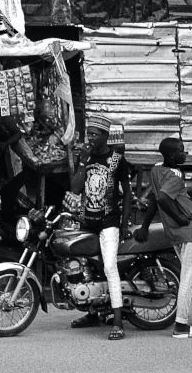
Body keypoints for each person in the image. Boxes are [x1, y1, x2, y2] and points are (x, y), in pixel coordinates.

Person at [134, 137, 192, 339]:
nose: (185, 154)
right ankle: (181, 325)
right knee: (188, 278)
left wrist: (144, 225)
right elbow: (162, 198)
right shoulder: (175, 175)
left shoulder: (156, 170)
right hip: (190, 232)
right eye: (181, 151)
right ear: (171, 155)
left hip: (177, 234)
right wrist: (181, 217)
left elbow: (154, 199)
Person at [68, 113, 133, 341]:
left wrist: (124, 223)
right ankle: (93, 313)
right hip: (87, 220)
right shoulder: (85, 158)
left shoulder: (117, 160)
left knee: (108, 268)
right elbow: (76, 189)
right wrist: (83, 162)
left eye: (95, 134)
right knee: (87, 269)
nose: (91, 138)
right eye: (89, 134)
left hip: (109, 222)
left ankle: (117, 322)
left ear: (105, 136)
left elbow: (127, 194)